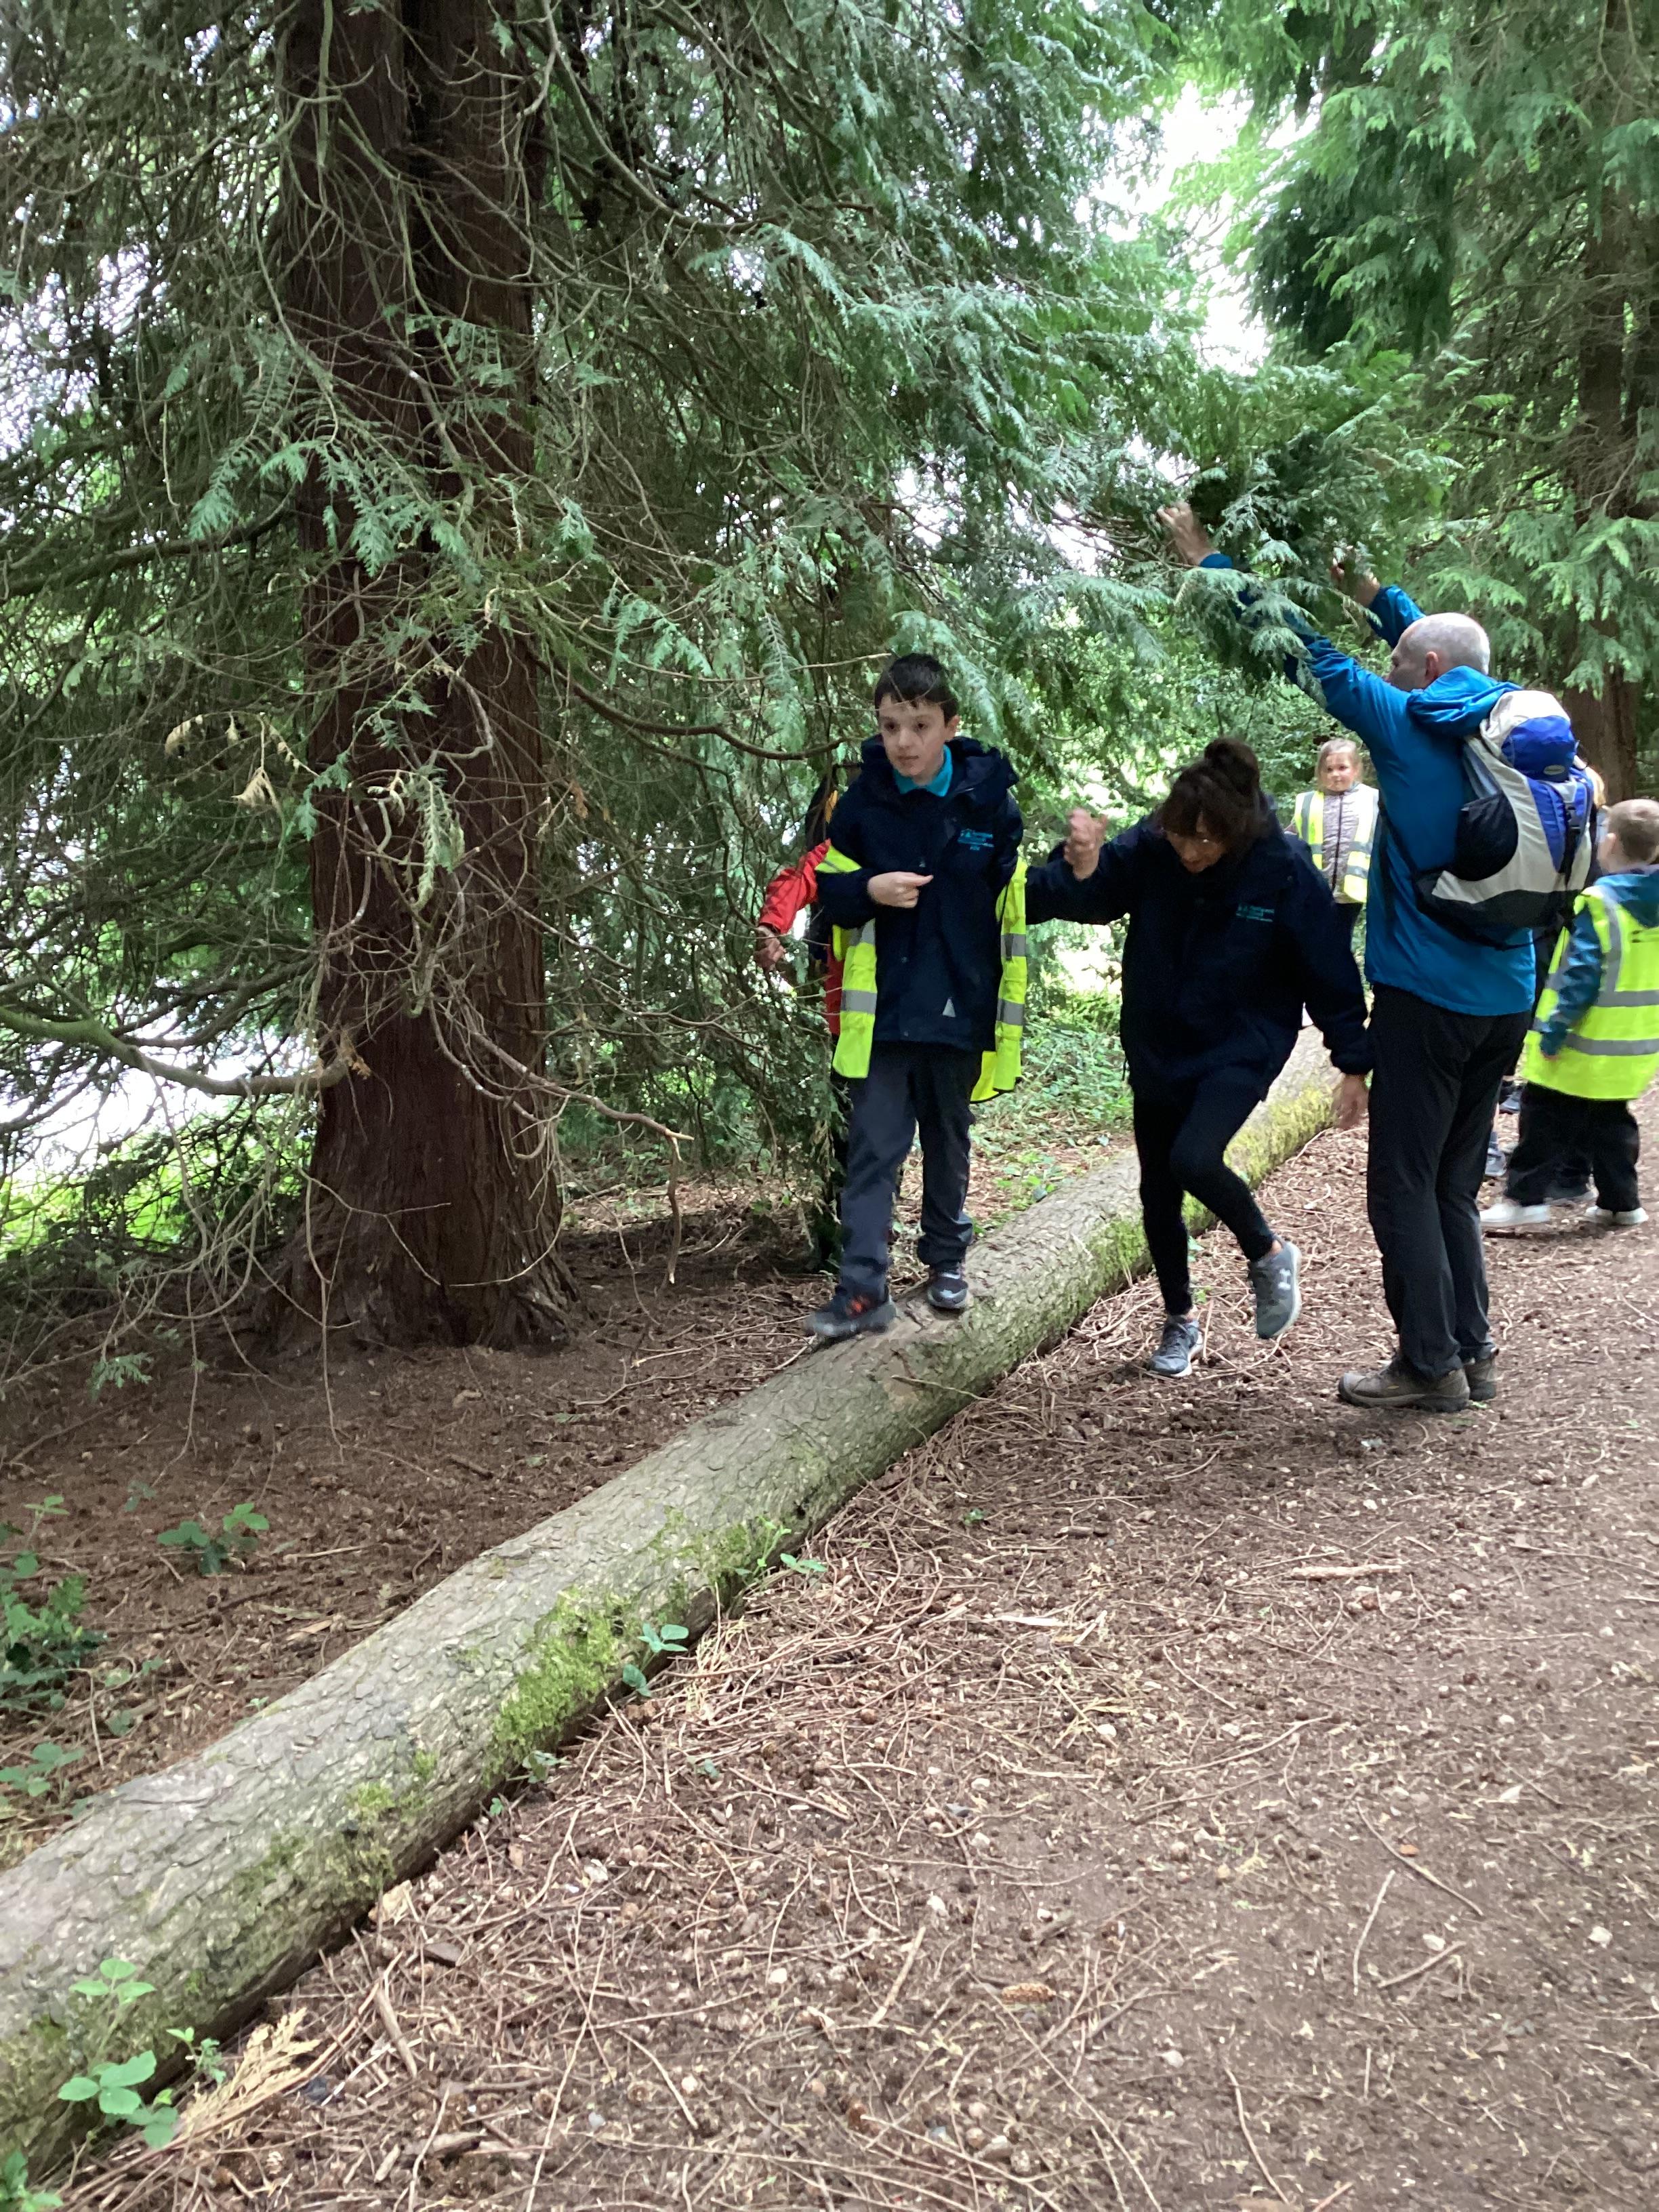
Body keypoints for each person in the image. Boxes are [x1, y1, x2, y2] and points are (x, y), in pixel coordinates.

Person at [1160, 501, 1535, 1412]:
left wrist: (1211, 562)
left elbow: (1302, 648)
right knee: (1453, 1185)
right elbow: (1438, 644)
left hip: (1428, 1000)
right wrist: (1375, 593)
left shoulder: (1404, 724)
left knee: (1402, 1189)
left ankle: (1428, 1365)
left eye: (1399, 661)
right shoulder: (1509, 726)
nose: (1389, 668)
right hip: (1508, 992)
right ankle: (1473, 1353)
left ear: (1425, 674)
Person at [1027, 739, 1370, 1379]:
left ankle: (1267, 1252)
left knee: (1193, 1158)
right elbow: (1091, 898)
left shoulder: (1282, 868)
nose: (1190, 852)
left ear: (1235, 830)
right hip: (1160, 1043)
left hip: (1244, 1044)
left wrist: (1353, 1060)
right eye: (1182, 837)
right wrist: (1079, 867)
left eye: (1205, 841)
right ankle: (1179, 1319)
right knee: (1157, 1190)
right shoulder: (1155, 844)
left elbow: (1327, 968)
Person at [804, 654, 1025, 1341]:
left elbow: (1015, 900)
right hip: (885, 1011)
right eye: (890, 725)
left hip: (961, 1004)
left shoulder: (991, 802)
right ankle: (862, 1289)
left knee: (948, 1142)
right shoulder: (862, 803)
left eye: (920, 725)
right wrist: (869, 889)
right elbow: (830, 893)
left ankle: (947, 1260)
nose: (904, 741)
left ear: (950, 726)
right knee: (873, 1148)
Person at [1480, 798, 1659, 1234]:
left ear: (1609, 843)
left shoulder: (1600, 903)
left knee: (1543, 1117)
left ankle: (1525, 1200)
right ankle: (1621, 1203)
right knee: (1610, 1119)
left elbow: (1581, 977)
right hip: (1633, 1043)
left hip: (1581, 1041)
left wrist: (1556, 1030)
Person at [754, 773, 853, 1265]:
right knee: (845, 1136)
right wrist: (770, 927)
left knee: (882, 1139)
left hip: (906, 1023)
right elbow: (797, 880)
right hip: (849, 1026)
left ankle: (865, 1244)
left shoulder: (917, 839)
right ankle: (839, 1244)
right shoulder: (844, 848)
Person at [1290, 737, 1378, 945]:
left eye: (1342, 768)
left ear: (1356, 769)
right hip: (1313, 889)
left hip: (1351, 893)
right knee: (1310, 943)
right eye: (1329, 770)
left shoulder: (1372, 799)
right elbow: (1290, 840)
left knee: (1340, 943)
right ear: (1320, 772)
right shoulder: (1308, 802)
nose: (1336, 775)